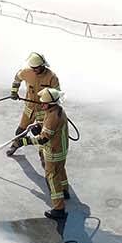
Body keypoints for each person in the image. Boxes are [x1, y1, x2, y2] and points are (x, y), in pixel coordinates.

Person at [7, 52, 59, 157]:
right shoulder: (26, 72)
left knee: (40, 135)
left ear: (42, 65)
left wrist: (50, 106)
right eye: (33, 68)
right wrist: (14, 92)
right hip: (29, 109)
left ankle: (44, 154)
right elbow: (17, 79)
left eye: (37, 68)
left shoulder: (51, 77)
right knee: (20, 131)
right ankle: (15, 145)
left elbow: (56, 94)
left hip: (44, 111)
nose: (34, 70)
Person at [29, 86, 70, 220]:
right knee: (60, 170)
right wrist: (40, 125)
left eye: (43, 103)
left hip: (53, 151)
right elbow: (50, 126)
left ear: (50, 103)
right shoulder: (57, 110)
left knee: (52, 178)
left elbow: (44, 138)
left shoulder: (53, 116)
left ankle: (59, 209)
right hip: (61, 150)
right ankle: (65, 191)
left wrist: (26, 141)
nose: (41, 104)